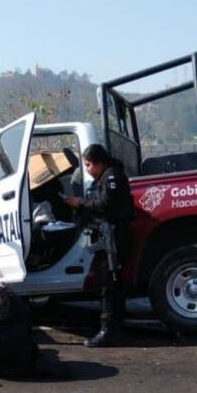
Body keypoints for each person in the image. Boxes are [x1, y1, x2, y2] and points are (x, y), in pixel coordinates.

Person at [63, 144, 134, 347]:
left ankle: (108, 331)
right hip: (111, 234)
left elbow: (106, 204)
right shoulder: (106, 176)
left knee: (109, 284)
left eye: (88, 165)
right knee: (112, 283)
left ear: (98, 162)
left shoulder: (112, 177)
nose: (86, 169)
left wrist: (80, 203)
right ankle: (115, 327)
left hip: (115, 235)